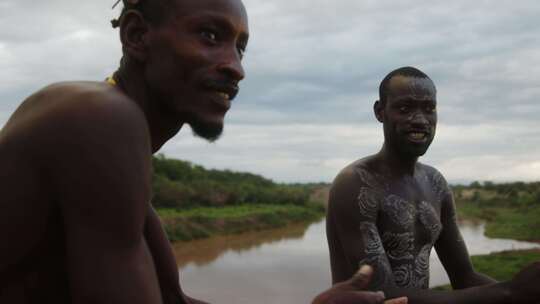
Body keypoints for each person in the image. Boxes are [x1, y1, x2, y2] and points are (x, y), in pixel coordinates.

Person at [0, 0, 407, 303]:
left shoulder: (114, 144)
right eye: (210, 36)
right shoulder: (100, 118)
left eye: (240, 47)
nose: (236, 67)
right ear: (137, 36)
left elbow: (174, 301)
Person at [325, 66, 540, 304]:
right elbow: (381, 294)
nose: (419, 120)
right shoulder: (356, 184)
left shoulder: (435, 183)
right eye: (405, 108)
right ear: (380, 111)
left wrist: (525, 292)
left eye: (429, 109)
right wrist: (510, 292)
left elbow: (464, 277)